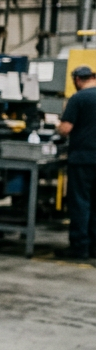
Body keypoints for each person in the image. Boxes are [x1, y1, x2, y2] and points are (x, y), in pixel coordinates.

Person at [58, 65, 96, 259]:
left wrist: (57, 128)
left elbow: (65, 128)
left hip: (83, 159)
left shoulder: (78, 98)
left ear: (77, 80)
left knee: (80, 202)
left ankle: (79, 247)